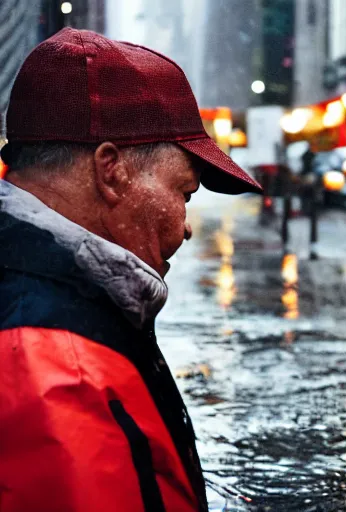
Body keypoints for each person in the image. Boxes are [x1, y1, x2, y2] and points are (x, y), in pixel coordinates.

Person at [0, 29, 261, 512]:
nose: (185, 229)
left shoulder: (44, 313)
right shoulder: (57, 366)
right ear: (112, 170)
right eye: (184, 194)